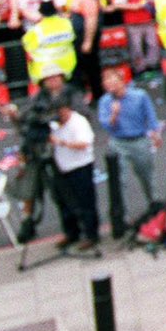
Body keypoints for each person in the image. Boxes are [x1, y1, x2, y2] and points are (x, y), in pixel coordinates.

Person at [97, 69, 161, 216]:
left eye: (113, 81)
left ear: (122, 81)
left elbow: (150, 116)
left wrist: (155, 134)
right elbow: (106, 125)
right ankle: (122, 215)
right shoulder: (105, 101)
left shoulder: (139, 96)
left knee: (147, 175)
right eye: (106, 82)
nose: (109, 85)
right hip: (118, 142)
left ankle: (154, 204)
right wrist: (114, 114)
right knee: (120, 180)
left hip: (139, 140)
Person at [48, 98, 101, 255]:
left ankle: (91, 235)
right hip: (62, 168)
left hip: (80, 167)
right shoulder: (54, 124)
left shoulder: (78, 122)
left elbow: (84, 143)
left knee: (85, 203)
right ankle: (72, 232)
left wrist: (61, 142)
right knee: (64, 203)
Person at [22, 0, 77, 93]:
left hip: (46, 71)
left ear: (41, 13)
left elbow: (27, 46)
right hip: (69, 66)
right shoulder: (67, 23)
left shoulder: (36, 30)